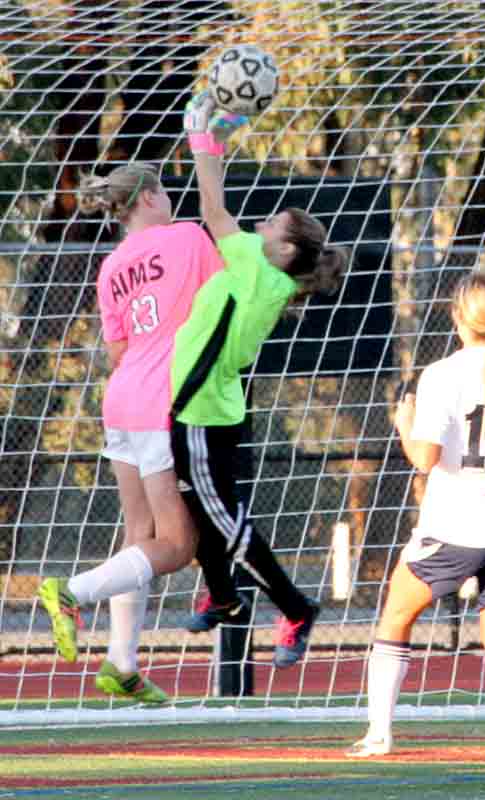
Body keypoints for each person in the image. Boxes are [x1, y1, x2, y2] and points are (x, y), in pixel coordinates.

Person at [347, 270, 485, 757]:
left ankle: (379, 734)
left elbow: (425, 459)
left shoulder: (442, 374)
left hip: (455, 528)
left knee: (396, 616)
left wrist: (405, 424)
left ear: (458, 318)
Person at [169, 92, 348, 667]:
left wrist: (202, 138)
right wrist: (216, 139)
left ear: (286, 247)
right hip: (203, 405)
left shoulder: (257, 269)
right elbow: (221, 213)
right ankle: (223, 596)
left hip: (200, 408)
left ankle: (295, 607)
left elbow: (213, 208)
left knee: (221, 518)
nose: (262, 222)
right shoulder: (263, 271)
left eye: (273, 222)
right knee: (200, 510)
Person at [38, 162, 223, 700]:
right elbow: (223, 302)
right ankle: (70, 591)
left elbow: (118, 349)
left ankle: (120, 663)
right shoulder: (188, 237)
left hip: (120, 399)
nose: (170, 199)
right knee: (178, 544)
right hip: (163, 402)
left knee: (139, 536)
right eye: (164, 190)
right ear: (146, 198)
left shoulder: (112, 263)